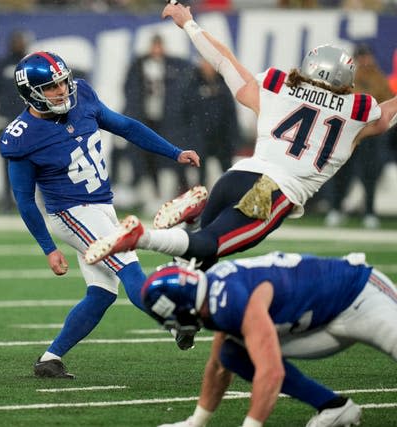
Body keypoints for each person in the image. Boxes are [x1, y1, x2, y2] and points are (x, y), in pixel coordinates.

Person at [85, 2, 397, 272]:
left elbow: (223, 62)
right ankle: (142, 237)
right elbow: (385, 116)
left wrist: (189, 25)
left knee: (199, 254)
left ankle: (185, 305)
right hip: (271, 193)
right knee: (207, 245)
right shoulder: (357, 110)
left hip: (236, 177)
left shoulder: (279, 87)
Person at [1, 51, 200, 378]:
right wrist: (48, 248)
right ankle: (175, 321)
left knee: (102, 293)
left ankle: (51, 358)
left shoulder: (83, 96)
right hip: (70, 213)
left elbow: (127, 127)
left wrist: (174, 153)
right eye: (52, 87)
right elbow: (24, 200)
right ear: (31, 93)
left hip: (101, 205)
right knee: (129, 268)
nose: (63, 90)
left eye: (63, 82)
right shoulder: (21, 137)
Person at [142, 251, 397, 427]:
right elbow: (219, 366)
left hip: (361, 295)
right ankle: (334, 407)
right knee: (230, 353)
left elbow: (271, 372)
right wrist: (196, 422)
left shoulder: (229, 299)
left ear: (183, 307)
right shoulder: (212, 293)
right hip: (318, 319)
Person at [118, 34, 202, 212]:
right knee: (144, 158)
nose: (157, 50)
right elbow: (131, 91)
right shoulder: (139, 65)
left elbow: (182, 88)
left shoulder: (174, 66)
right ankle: (151, 196)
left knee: (166, 158)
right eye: (154, 46)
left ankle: (169, 197)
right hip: (145, 118)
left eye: (159, 46)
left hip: (166, 121)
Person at [324, 43, 395, 229]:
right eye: (361, 56)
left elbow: (386, 105)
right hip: (349, 131)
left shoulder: (378, 78)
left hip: (371, 134)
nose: (365, 60)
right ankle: (335, 209)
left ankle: (369, 211)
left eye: (367, 56)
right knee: (342, 173)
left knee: (369, 175)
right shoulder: (347, 77)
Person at [0, 30, 30, 213]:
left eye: (21, 41)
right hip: (7, 121)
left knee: (32, 161)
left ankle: (29, 201)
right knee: (8, 161)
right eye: (15, 41)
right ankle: (6, 200)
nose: (18, 45)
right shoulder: (1, 65)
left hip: (30, 121)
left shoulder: (30, 65)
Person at [194, 58, 240, 186]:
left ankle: (231, 198)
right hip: (201, 137)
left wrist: (233, 137)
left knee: (228, 174)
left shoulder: (223, 83)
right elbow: (188, 112)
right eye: (205, 62)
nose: (207, 66)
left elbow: (231, 113)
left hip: (221, 137)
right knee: (200, 176)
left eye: (210, 63)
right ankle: (199, 202)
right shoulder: (193, 82)